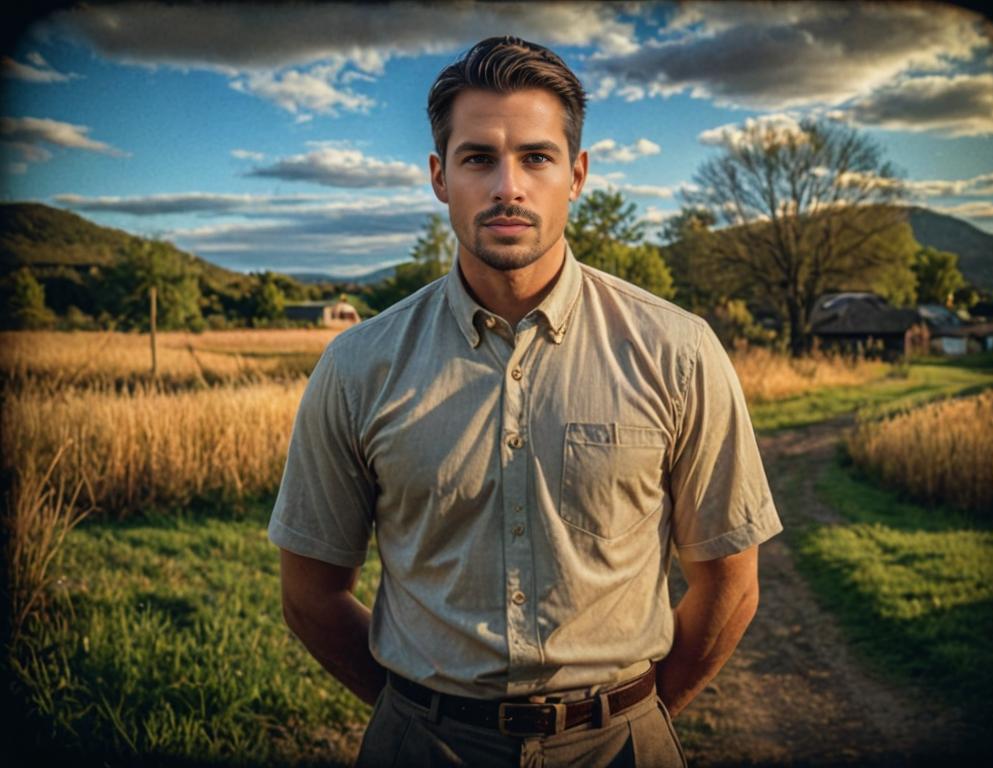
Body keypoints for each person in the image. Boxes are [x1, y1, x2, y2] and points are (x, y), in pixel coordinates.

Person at [269, 35, 782, 768]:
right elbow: (310, 595)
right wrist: (416, 715)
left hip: (623, 745)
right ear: (441, 176)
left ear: (576, 175)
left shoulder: (679, 350)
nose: (508, 186)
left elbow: (730, 581)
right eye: (479, 158)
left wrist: (637, 720)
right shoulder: (357, 365)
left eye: (536, 157)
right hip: (421, 744)